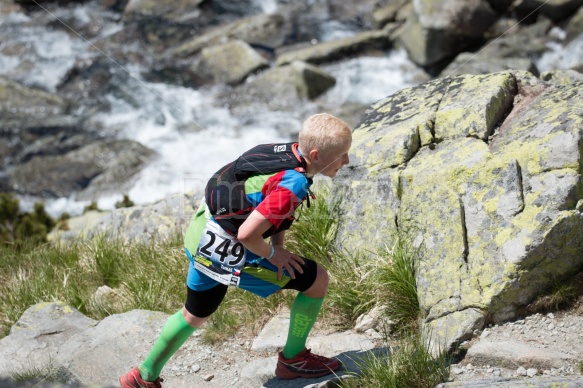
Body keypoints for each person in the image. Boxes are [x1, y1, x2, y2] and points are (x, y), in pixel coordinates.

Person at [119, 113, 352, 387]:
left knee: (194, 314)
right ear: (315, 154)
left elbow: (268, 206)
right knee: (317, 280)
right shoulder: (295, 183)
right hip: (230, 246)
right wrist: (273, 255)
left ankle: (142, 377)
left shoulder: (284, 153)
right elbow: (247, 234)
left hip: (202, 233)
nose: (346, 161)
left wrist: (279, 244)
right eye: (342, 155)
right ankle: (294, 360)